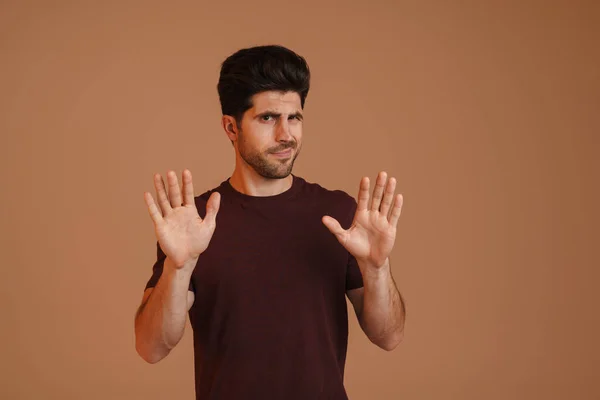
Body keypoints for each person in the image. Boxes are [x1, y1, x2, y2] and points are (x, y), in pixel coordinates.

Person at [134, 44, 406, 399]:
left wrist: (376, 269)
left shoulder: (339, 215)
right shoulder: (195, 223)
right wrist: (178, 267)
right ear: (231, 128)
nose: (286, 135)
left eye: (294, 118)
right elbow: (151, 348)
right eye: (268, 118)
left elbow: (389, 337)